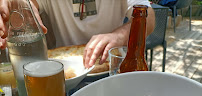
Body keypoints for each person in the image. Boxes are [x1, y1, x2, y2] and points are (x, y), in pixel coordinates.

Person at [0, 0, 155, 68]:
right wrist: (15, 6)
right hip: (65, 78)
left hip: (112, 70)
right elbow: (24, 3)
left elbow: (149, 17)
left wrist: (118, 36)